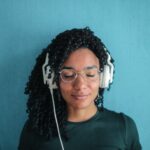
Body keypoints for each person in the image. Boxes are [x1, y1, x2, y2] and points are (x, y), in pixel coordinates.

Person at [18, 27, 142, 150]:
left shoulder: (123, 127)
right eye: (68, 75)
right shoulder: (35, 129)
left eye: (90, 74)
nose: (80, 85)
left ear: (104, 78)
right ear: (52, 80)